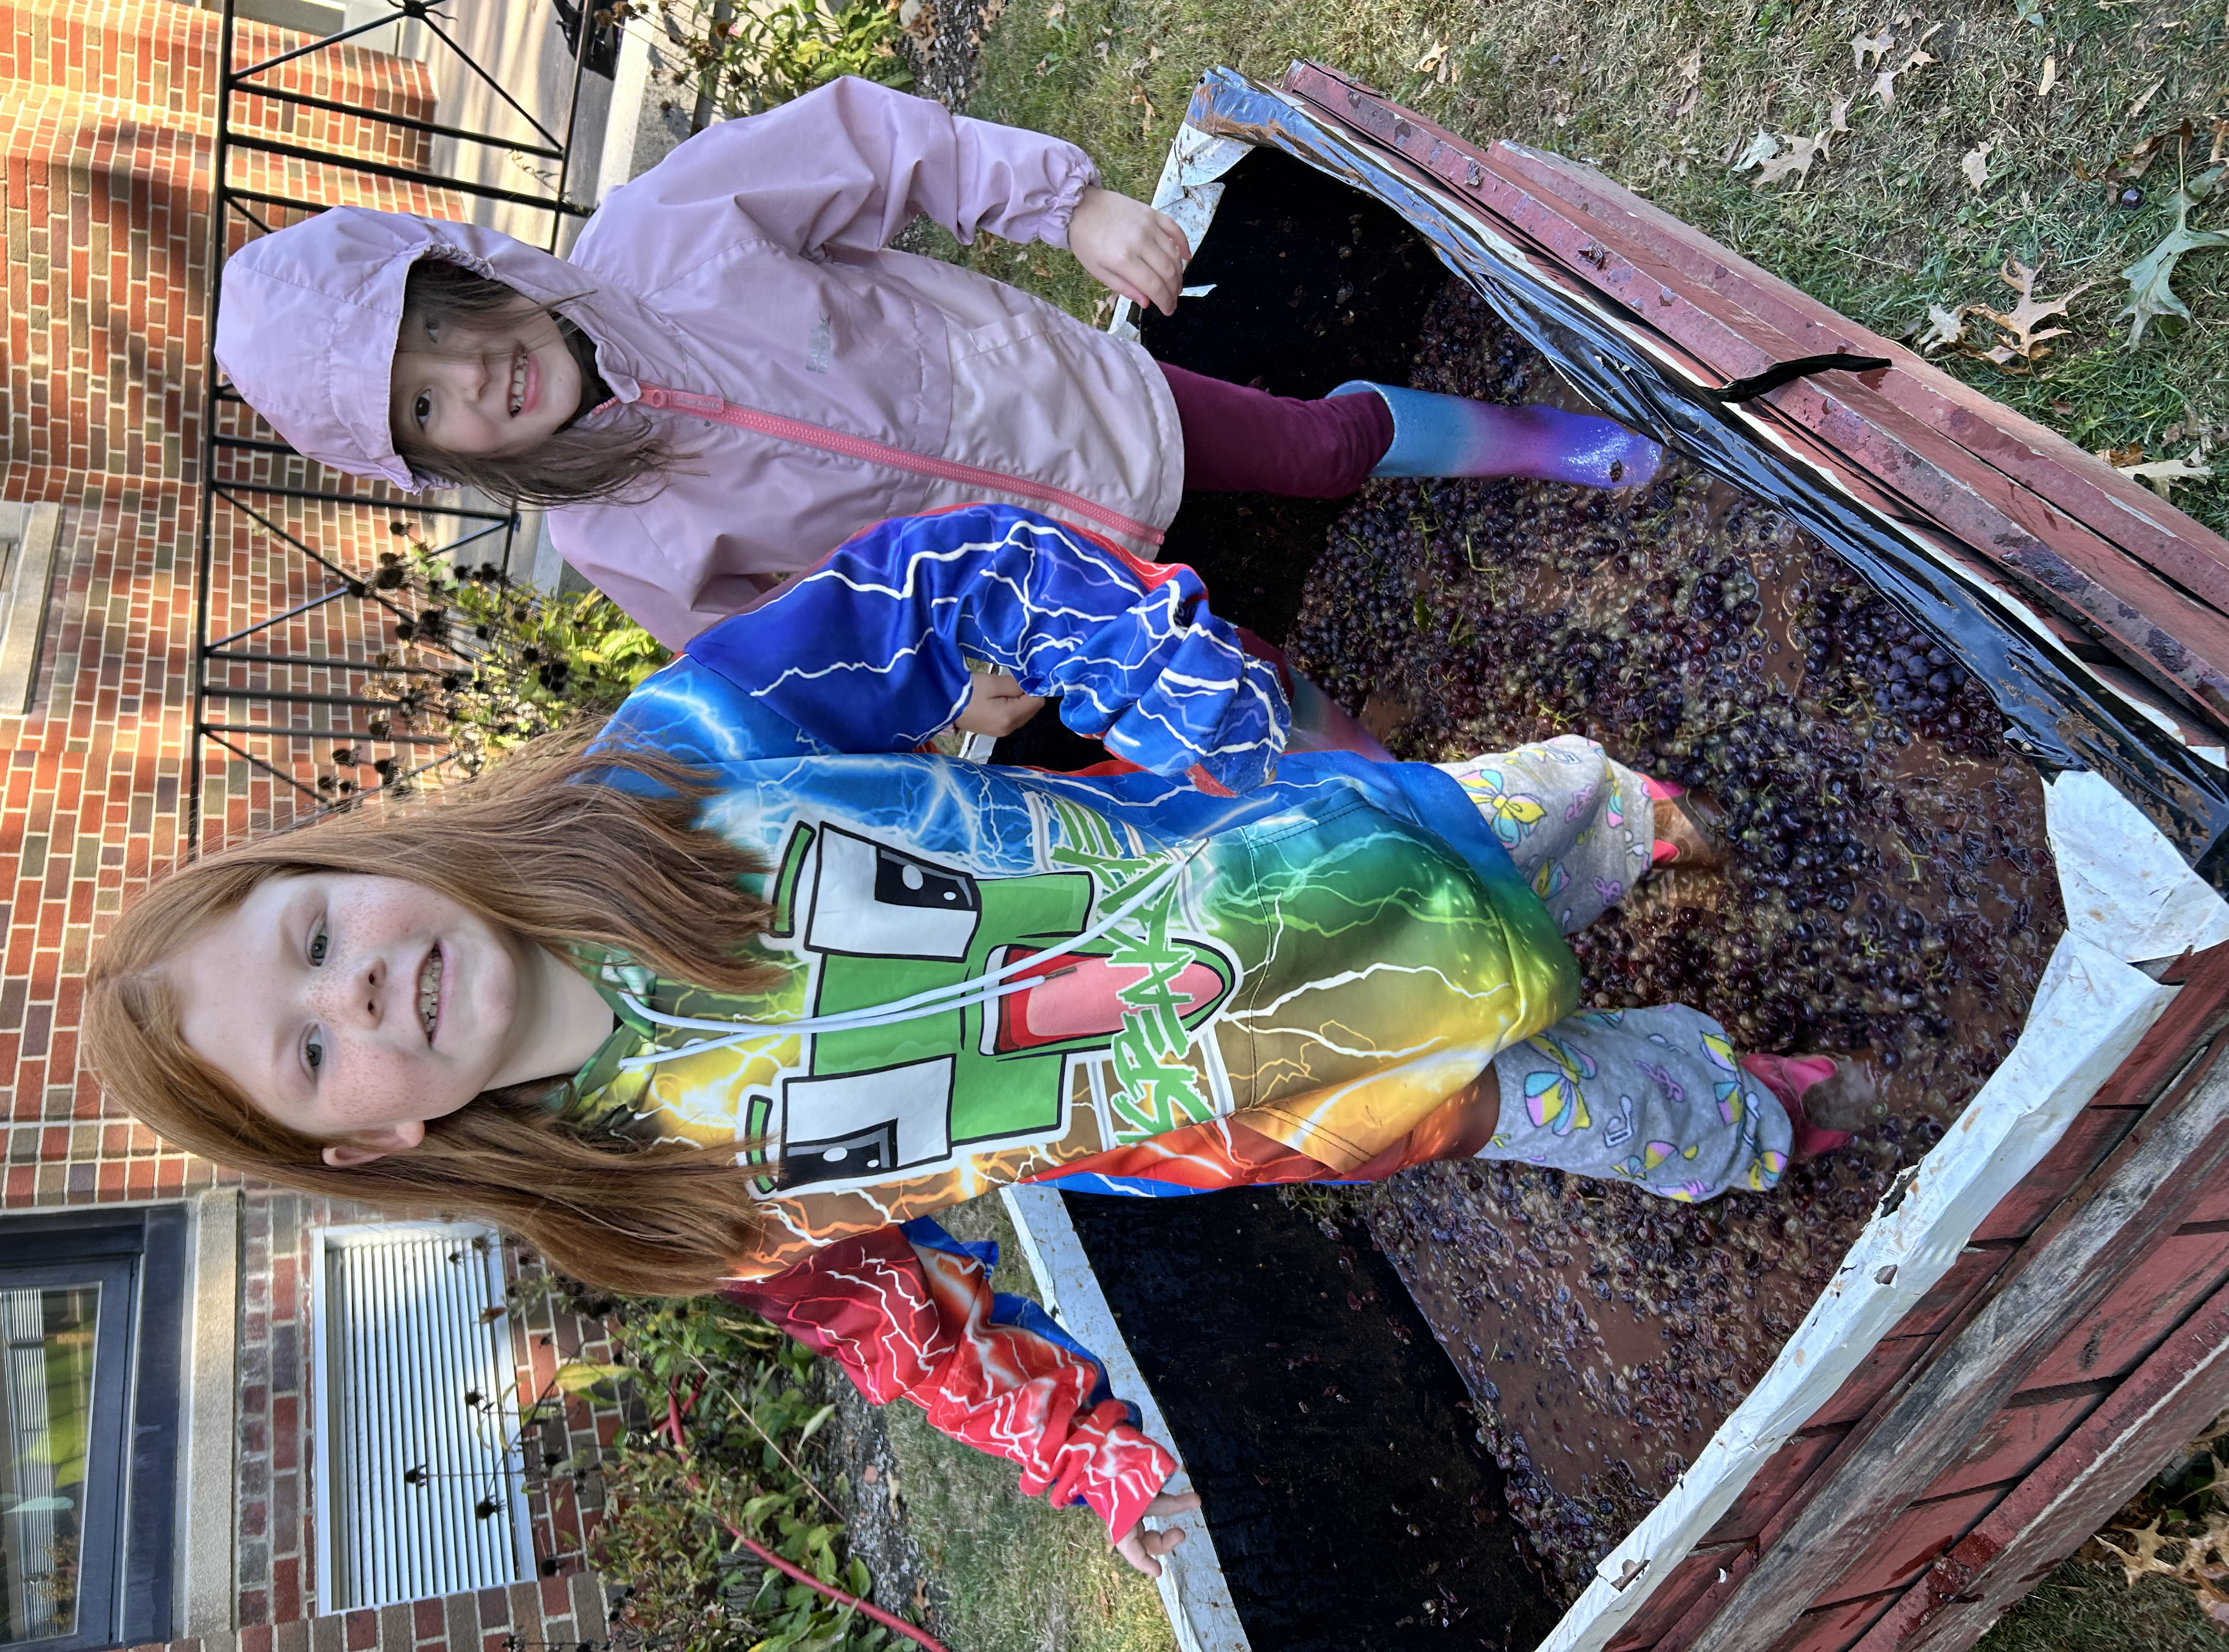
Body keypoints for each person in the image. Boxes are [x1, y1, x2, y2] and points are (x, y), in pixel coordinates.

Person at [87, 504, 1861, 1575]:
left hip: (1296, 852)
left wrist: (1198, 716)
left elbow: (958, 586)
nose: (356, 993)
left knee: (1557, 816)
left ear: (363, 865)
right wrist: (1083, 1446)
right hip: (1288, 1101)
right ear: (370, 1146)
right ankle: (1760, 1114)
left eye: (318, 937)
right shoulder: (654, 1214)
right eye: (309, 1052)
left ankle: (1656, 826)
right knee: (1588, 1108)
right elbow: (898, 1321)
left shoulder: (679, 765)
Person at [211, 77, 1662, 649]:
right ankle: (1405, 784)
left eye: (443, 333)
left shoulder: (674, 229)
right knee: (1240, 681)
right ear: (435, 454)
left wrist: (1067, 204)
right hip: (1031, 599)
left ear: (467, 273)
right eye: (425, 406)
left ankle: (1539, 442)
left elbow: (883, 148)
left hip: (1091, 415)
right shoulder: (619, 536)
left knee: (1317, 455)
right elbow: (790, 648)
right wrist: (955, 708)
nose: (471, 382)